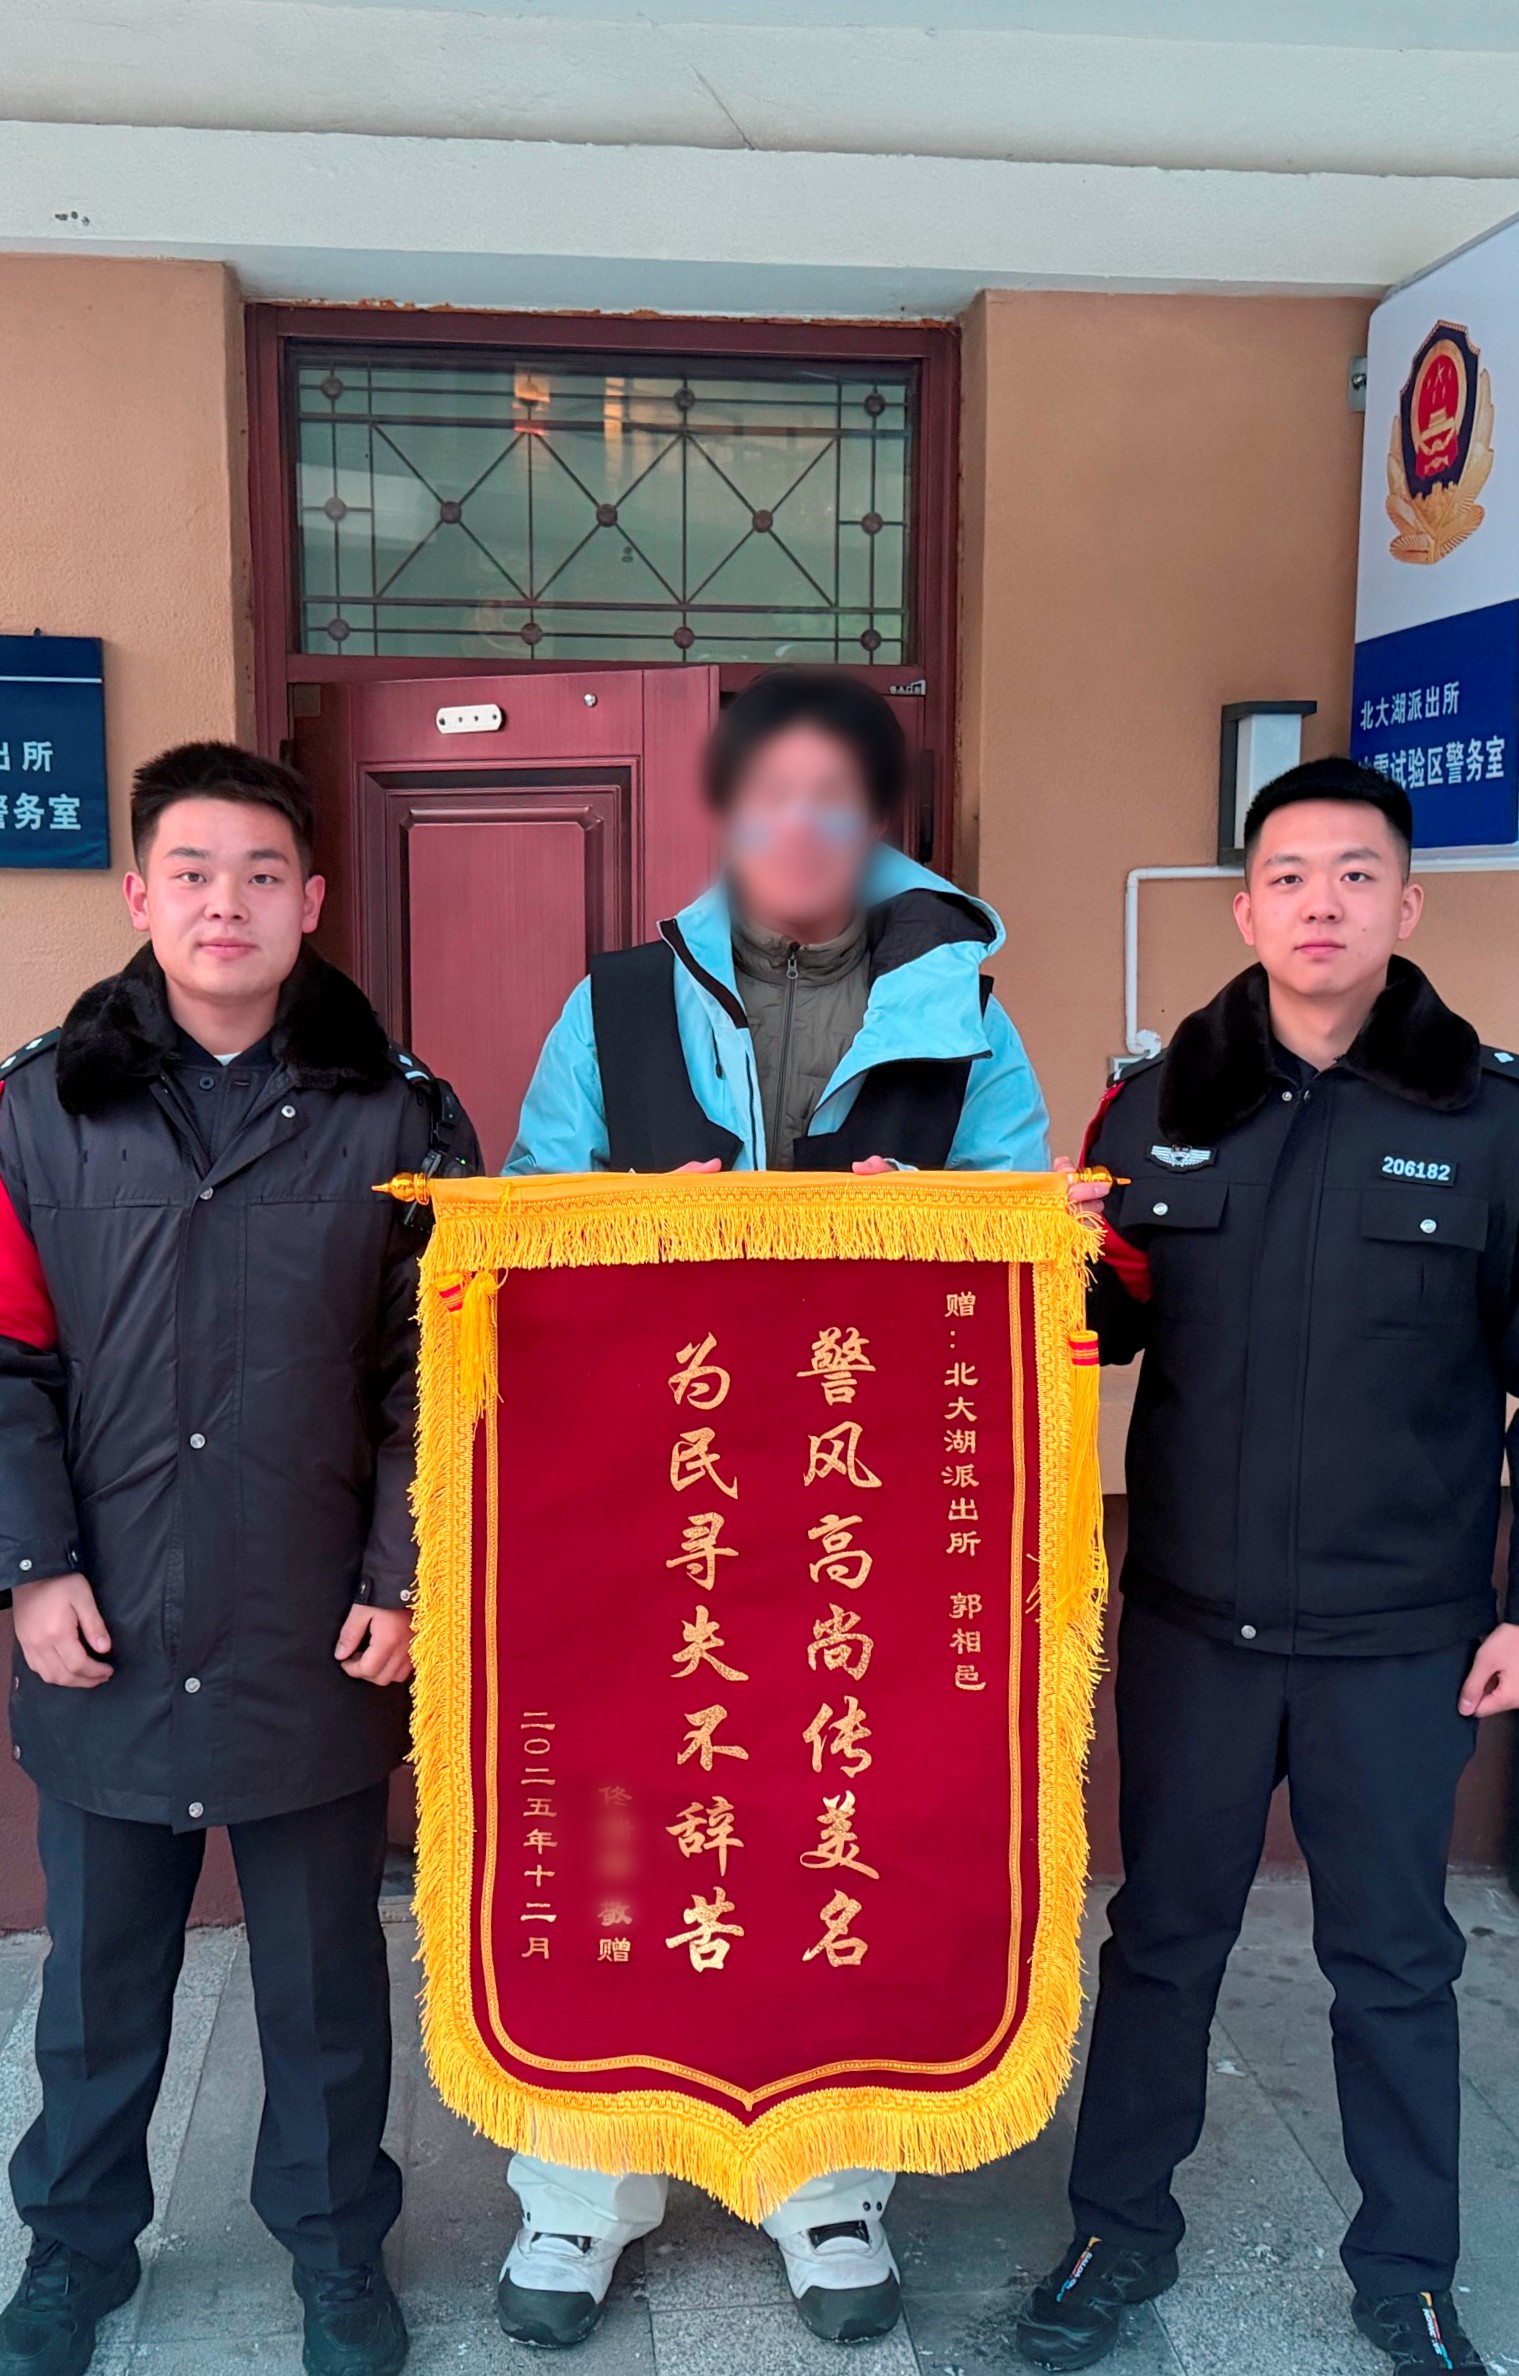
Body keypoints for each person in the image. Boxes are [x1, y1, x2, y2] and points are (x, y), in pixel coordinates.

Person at [1014, 758, 1519, 2376]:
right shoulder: (1152, 1111)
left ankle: (1406, 2273)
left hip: (1402, 1635)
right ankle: (1114, 2233)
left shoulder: (1498, 1126)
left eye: (1355, 876)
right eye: (1288, 876)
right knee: (1162, 1940)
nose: (1320, 904)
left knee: (1393, 1960)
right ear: (1243, 909)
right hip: (1194, 1625)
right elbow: (1089, 1329)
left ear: (1404, 907)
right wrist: (1012, 1251)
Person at [493, 667, 1055, 2349]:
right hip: (644, 1509)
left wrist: (932, 1221)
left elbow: (1041, 1241)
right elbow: (520, 1230)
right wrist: (626, 1221)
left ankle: (829, 2188)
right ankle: (581, 2193)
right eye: (767, 794)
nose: (798, 826)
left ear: (876, 818)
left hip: (856, 1523)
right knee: (618, 1827)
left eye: (833, 796)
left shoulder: (966, 1017)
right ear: (724, 812)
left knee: (839, 1828)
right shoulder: (614, 1005)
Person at [0, 741, 479, 2376]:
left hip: (315, 1618)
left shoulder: (402, 1113)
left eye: (258, 875)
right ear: (138, 895)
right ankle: (74, 2253)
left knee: (321, 1982)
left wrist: (401, 1573)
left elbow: (444, 1367)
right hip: (107, 1610)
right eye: (191, 872)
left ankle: (338, 2256)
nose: (223, 903)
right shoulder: (40, 1105)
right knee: (99, 1981)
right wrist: (30, 1570)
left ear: (310, 901)